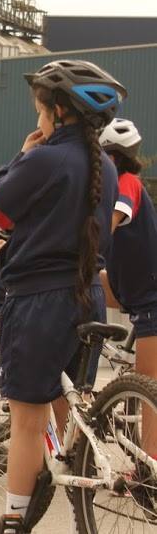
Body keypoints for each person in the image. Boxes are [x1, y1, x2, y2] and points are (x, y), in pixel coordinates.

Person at [0, 60, 123, 533]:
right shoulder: (108, 168)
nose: (36, 120)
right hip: (86, 297)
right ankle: (75, 486)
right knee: (67, 408)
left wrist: (20, 156)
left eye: (39, 110)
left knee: (27, 422)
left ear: (58, 111)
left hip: (39, 301)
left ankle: (16, 519)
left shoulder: (43, 158)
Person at [98, 119, 157, 458]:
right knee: (77, 293)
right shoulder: (109, 187)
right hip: (126, 289)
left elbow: (111, 221)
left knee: (148, 385)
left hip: (150, 297)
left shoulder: (128, 183)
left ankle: (147, 472)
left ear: (113, 159)